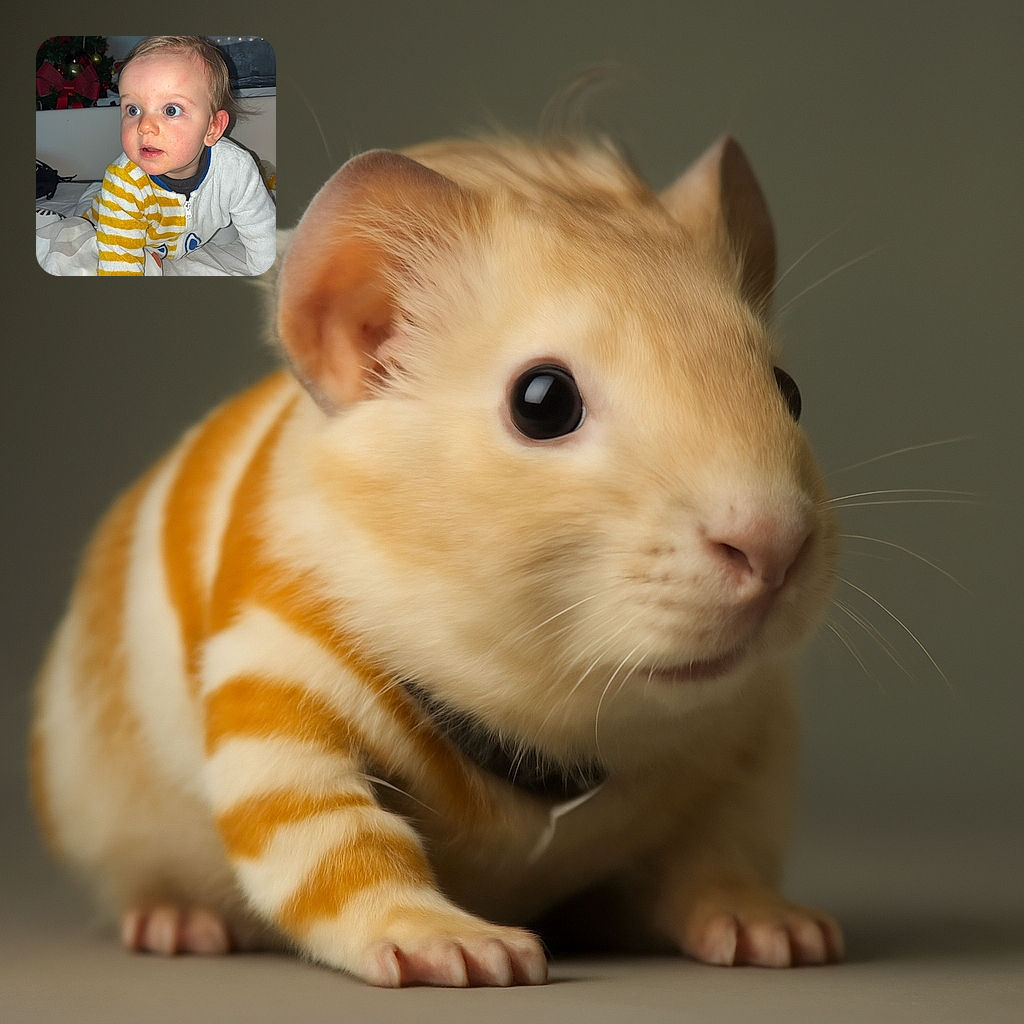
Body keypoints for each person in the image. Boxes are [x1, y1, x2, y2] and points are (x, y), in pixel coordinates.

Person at [86, 35, 275, 276]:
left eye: (171, 110)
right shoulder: (124, 183)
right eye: (133, 109)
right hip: (110, 221)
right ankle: (92, 197)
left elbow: (264, 235)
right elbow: (118, 269)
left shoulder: (236, 169)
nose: (145, 126)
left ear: (213, 128)